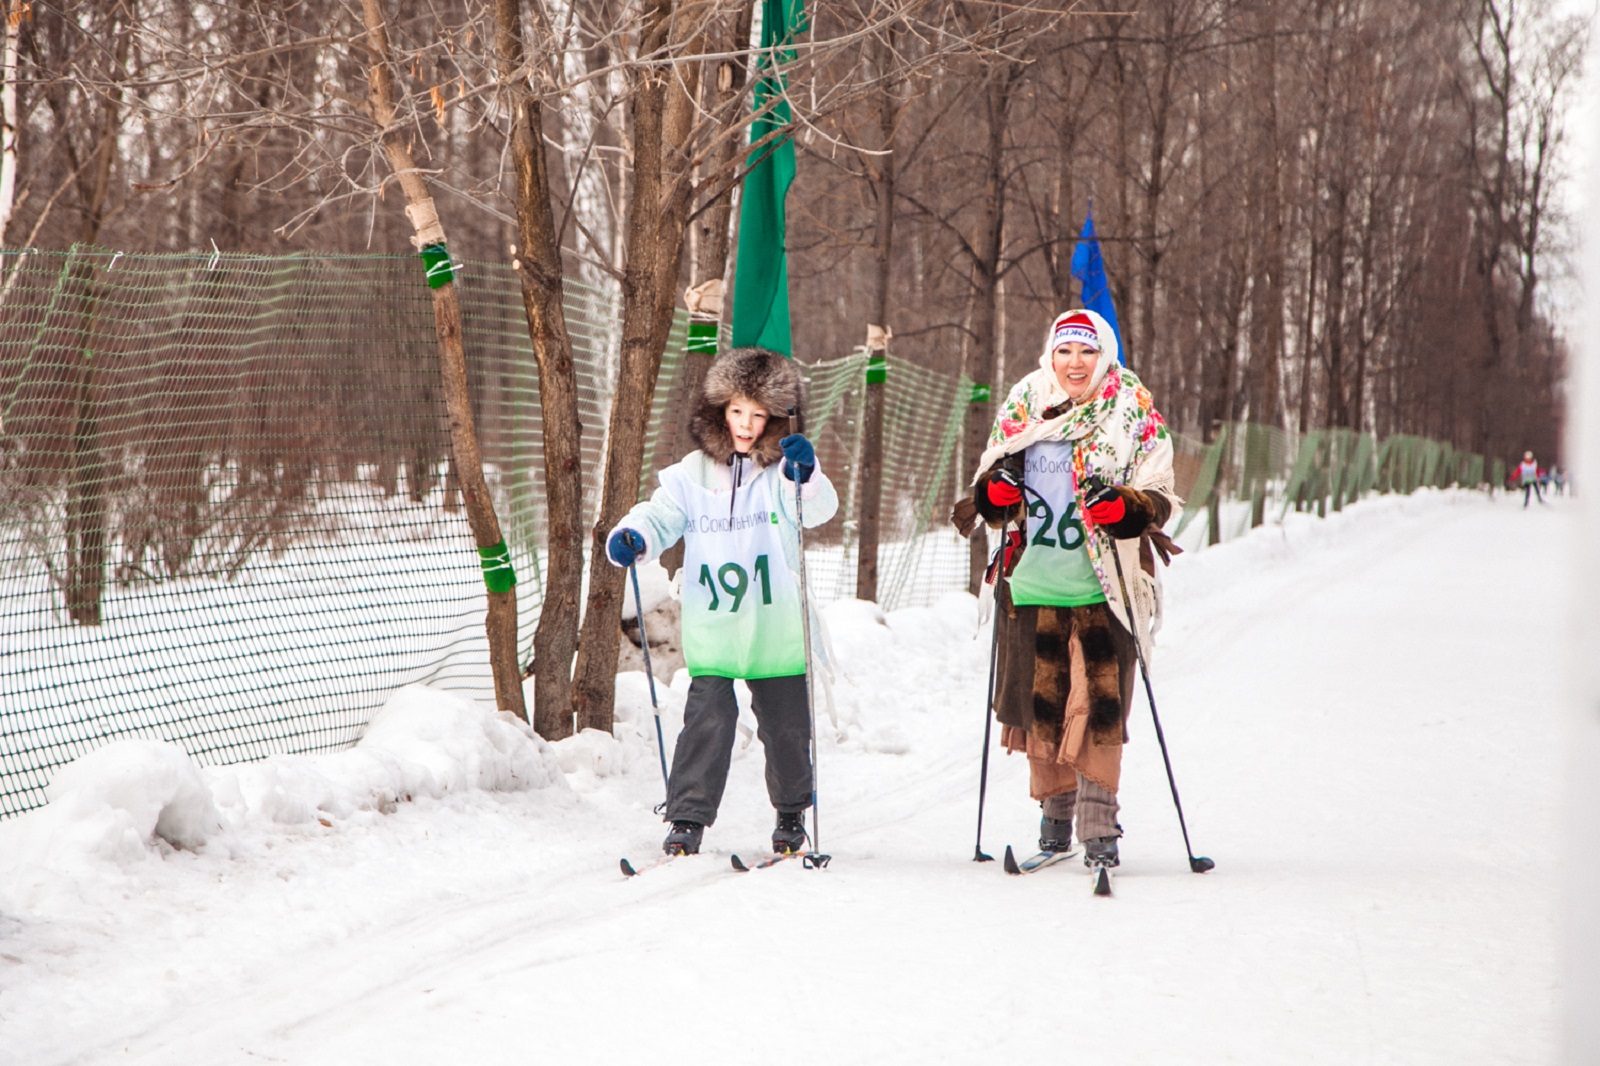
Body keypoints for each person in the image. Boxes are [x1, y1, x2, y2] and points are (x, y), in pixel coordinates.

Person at [951, 309, 1180, 871]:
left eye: (1086, 351)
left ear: (1105, 355)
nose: (1075, 363)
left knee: (1098, 712)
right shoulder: (1025, 404)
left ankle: (1100, 830)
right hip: (1033, 585)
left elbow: (1160, 493)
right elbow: (989, 483)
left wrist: (1128, 507)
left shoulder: (1132, 409)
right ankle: (1055, 823)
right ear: (1049, 355)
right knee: (1044, 711)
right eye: (1064, 351)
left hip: (1106, 590)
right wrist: (995, 496)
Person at [606, 347, 837, 856]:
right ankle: (686, 818)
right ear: (719, 411)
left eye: (758, 414)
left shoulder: (781, 472)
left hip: (774, 621)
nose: (746, 425)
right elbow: (660, 515)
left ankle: (791, 815)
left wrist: (806, 473)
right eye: (737, 411)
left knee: (785, 727)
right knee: (707, 720)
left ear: (774, 417)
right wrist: (634, 535)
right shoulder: (692, 474)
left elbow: (819, 508)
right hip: (714, 622)